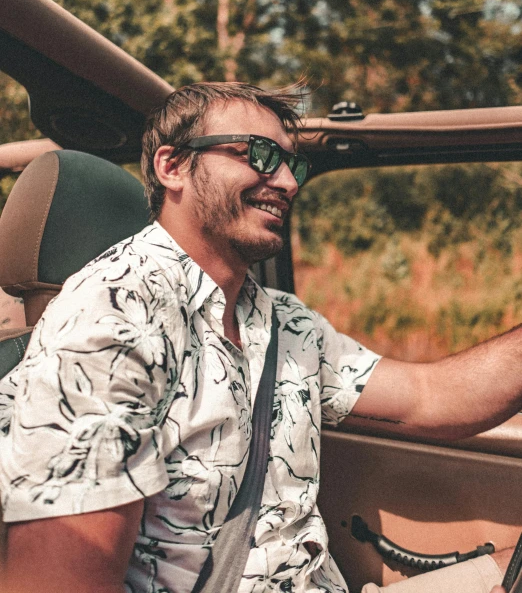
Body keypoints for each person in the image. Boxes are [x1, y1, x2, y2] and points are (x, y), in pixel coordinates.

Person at [0, 81, 519, 593]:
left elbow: (432, 397)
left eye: (294, 164)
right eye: (261, 155)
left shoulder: (284, 321)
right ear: (173, 166)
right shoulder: (111, 317)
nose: (289, 182)